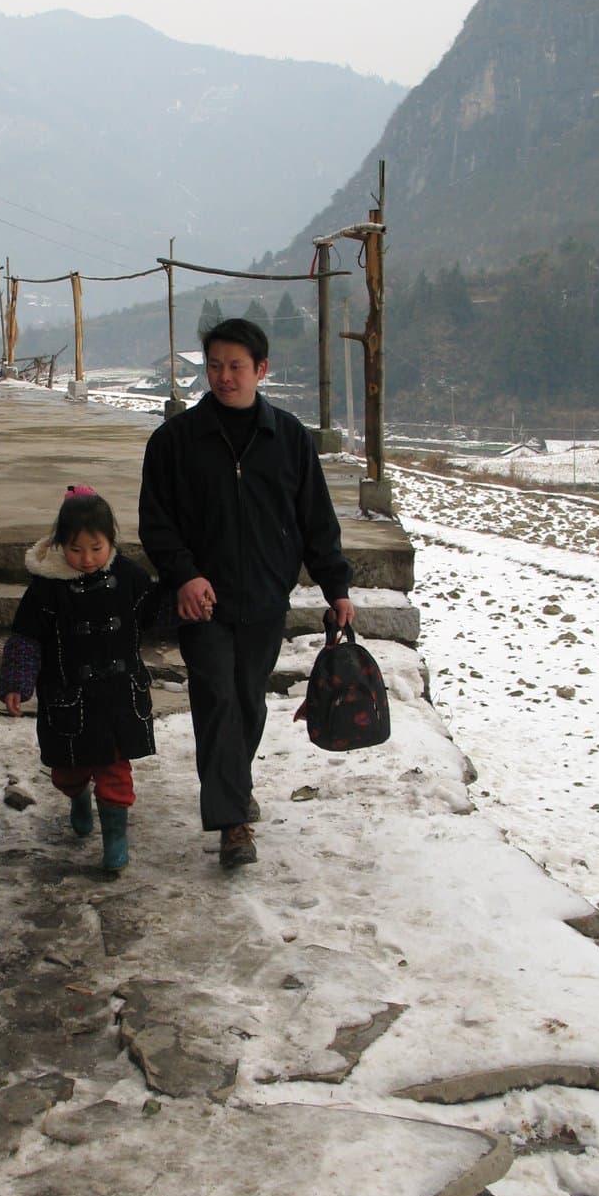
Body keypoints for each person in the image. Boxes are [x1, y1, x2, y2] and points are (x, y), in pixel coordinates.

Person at [138, 317, 355, 867]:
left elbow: (315, 522)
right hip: (201, 602)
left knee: (249, 702)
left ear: (261, 369)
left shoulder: (290, 441)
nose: (224, 377)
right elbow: (157, 524)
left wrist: (337, 587)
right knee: (216, 699)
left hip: (263, 597)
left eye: (236, 366)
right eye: (214, 366)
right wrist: (184, 574)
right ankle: (232, 824)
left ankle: (234, 783)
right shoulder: (174, 442)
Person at [0, 485, 159, 872]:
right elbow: (25, 638)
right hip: (69, 700)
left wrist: (191, 605)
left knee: (115, 772)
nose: (86, 559)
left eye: (96, 548)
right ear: (59, 546)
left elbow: (155, 611)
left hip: (119, 697)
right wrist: (18, 682)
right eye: (76, 549)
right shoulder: (46, 589)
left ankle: (115, 838)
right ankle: (77, 797)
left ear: (110, 542)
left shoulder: (127, 576)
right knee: (67, 773)